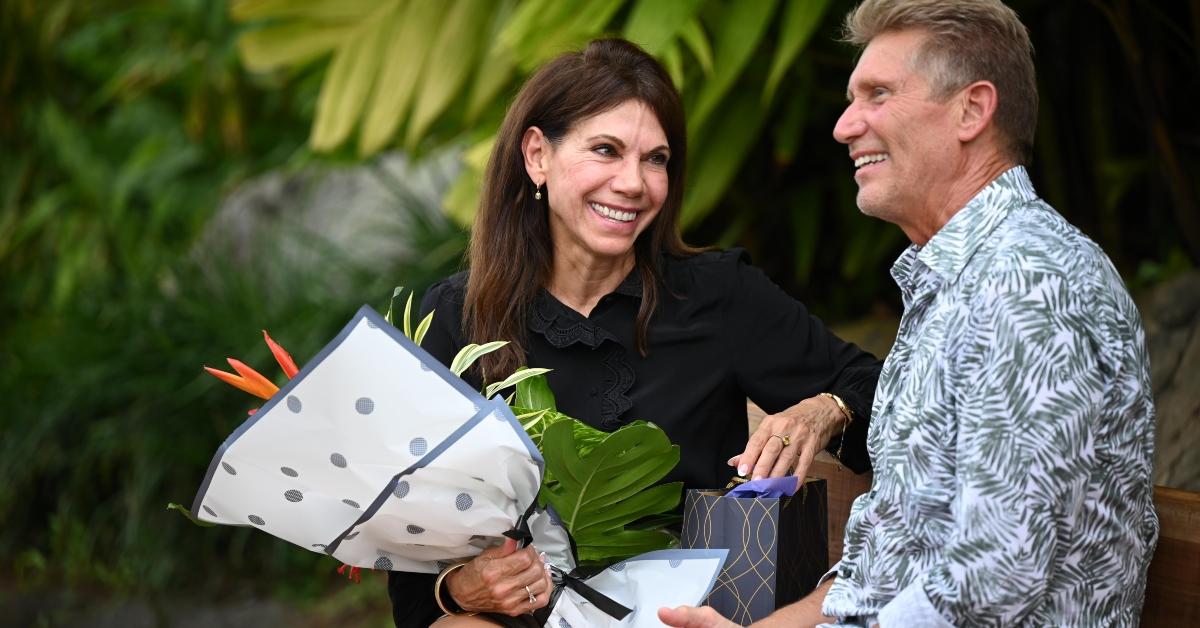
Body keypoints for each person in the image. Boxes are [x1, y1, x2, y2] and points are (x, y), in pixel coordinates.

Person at [660, 1, 1160, 627]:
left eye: (877, 95)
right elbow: (881, 569)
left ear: (972, 110)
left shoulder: (1029, 284)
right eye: (850, 99)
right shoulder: (956, 283)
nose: (845, 126)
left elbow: (991, 585)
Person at [386, 38, 883, 627]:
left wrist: (826, 408)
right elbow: (412, 566)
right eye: (606, 150)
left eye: (656, 159)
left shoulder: (716, 297)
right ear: (537, 155)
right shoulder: (456, 319)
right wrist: (460, 589)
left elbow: (886, 390)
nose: (633, 183)